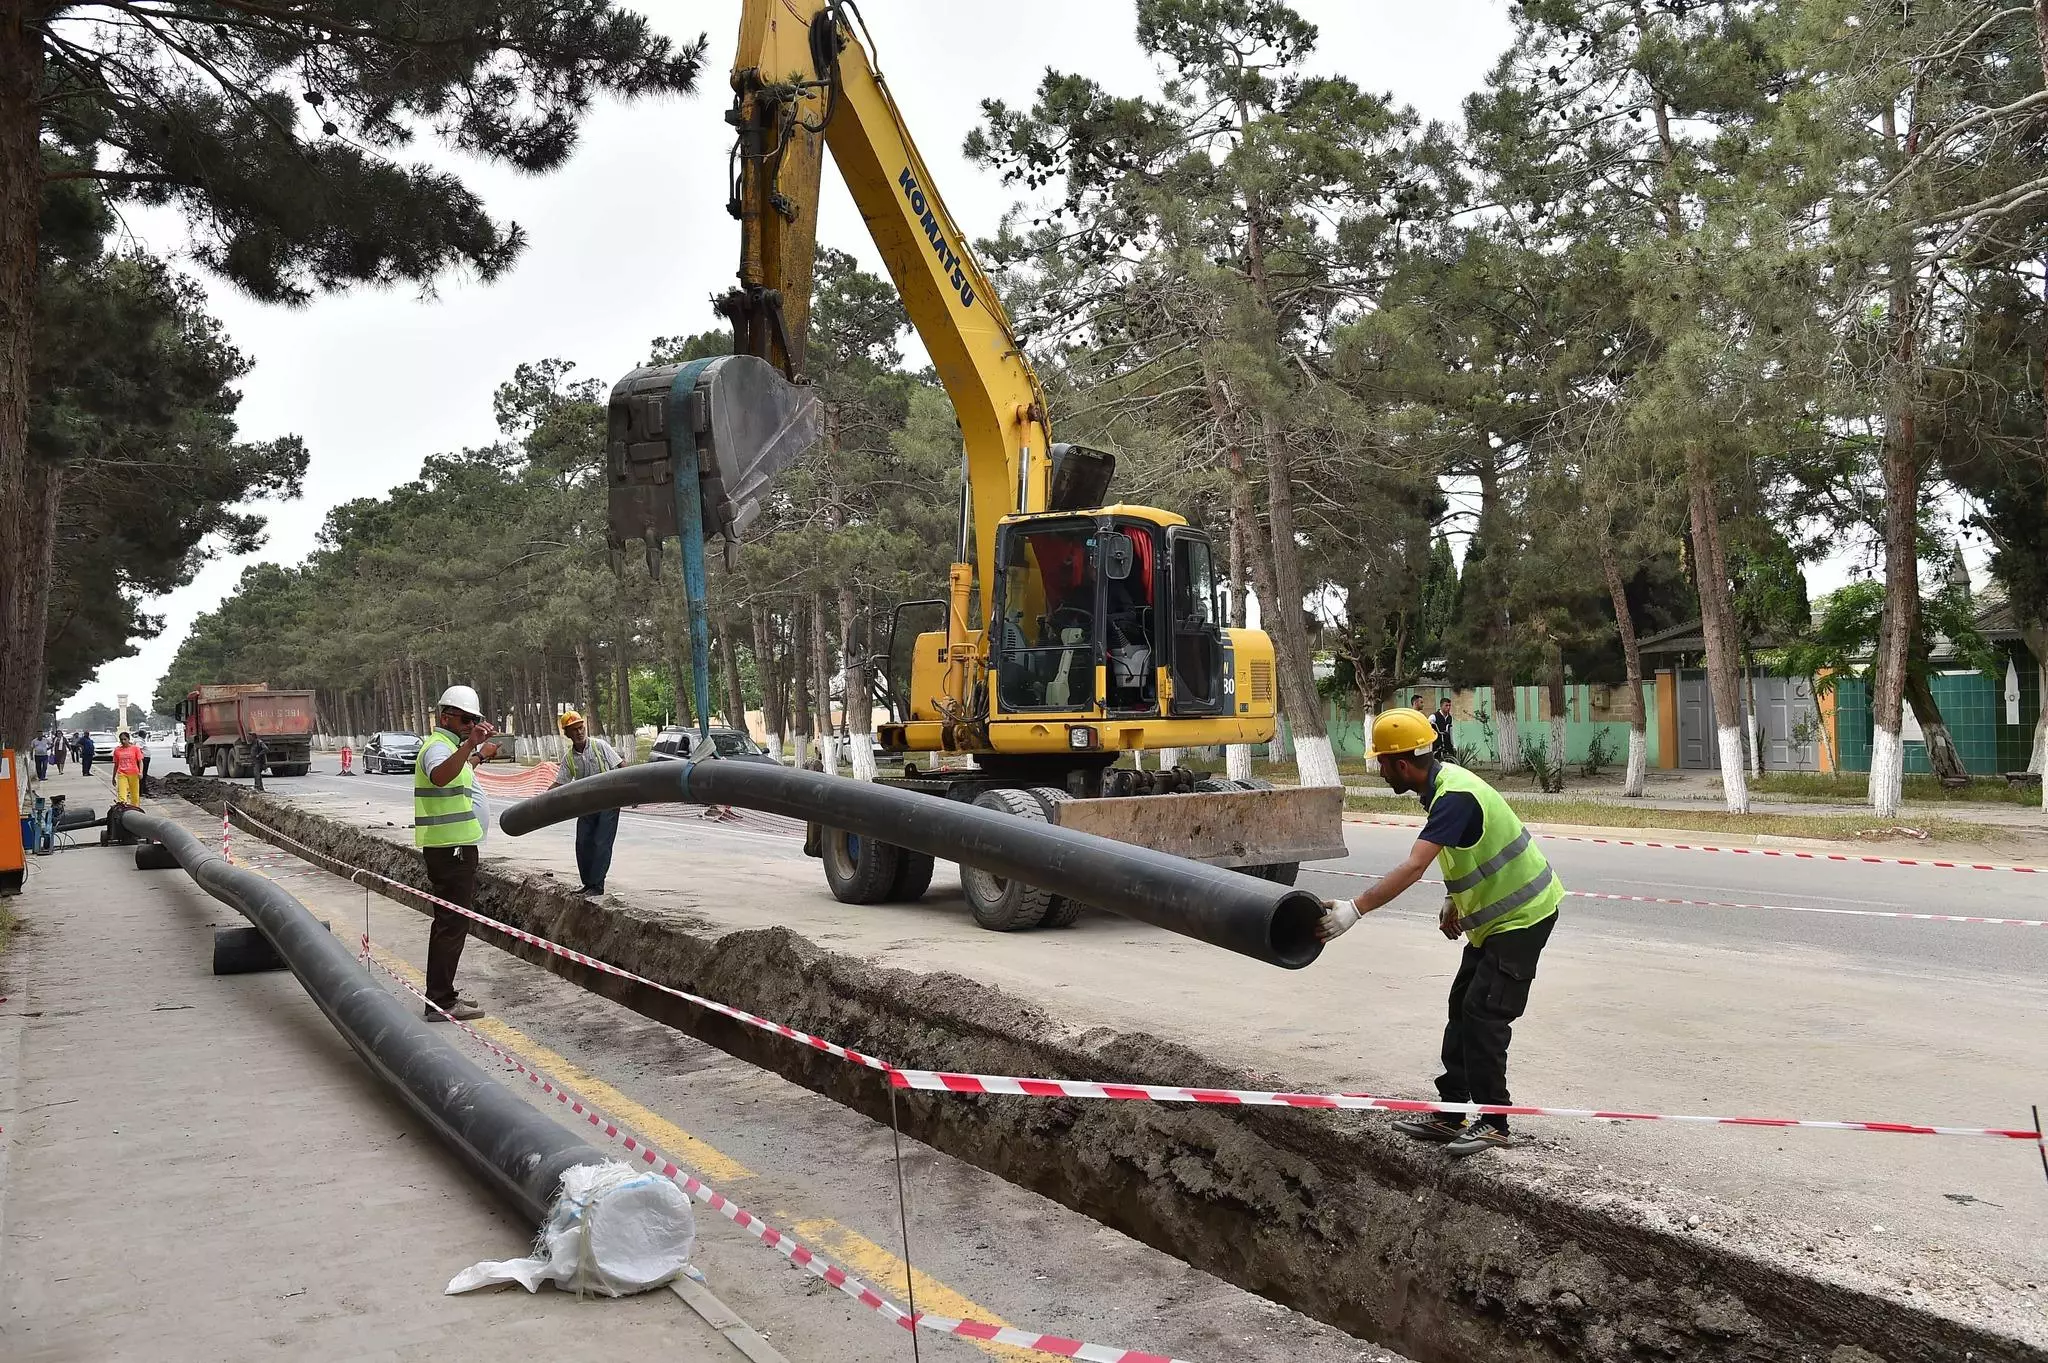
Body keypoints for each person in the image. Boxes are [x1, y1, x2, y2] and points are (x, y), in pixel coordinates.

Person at [1316, 708, 1563, 1158]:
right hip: (1494, 922)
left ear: (1402, 764)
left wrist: (1355, 910)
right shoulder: (1443, 786)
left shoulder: (1453, 797)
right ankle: (1451, 1113)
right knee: (1461, 1006)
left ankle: (1494, 1123)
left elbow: (1414, 865)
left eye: (1382, 763)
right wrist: (1454, 897)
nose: (1380, 770)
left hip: (1525, 916)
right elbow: (1468, 848)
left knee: (1485, 1012)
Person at [415, 686, 501, 1022]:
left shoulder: (451, 749)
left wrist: (479, 754)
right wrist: (469, 745)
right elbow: (440, 776)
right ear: (445, 716)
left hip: (455, 851)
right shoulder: (438, 747)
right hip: (450, 852)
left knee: (450, 925)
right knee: (450, 926)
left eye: (475, 720)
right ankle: (440, 1001)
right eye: (465, 719)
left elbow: (457, 775)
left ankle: (442, 995)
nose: (470, 725)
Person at [551, 710, 622, 896]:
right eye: (573, 730)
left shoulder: (600, 746)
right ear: (567, 734)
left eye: (581, 727)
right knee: (583, 843)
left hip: (608, 802)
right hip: (586, 805)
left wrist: (629, 793)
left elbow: (622, 768)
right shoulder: (569, 758)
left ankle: (597, 886)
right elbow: (560, 783)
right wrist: (541, 801)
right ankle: (588, 884)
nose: (579, 732)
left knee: (600, 843)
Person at [111, 731, 145, 807]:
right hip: (122, 774)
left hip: (134, 774)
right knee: (122, 794)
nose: (123, 741)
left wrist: (141, 772)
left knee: (134, 794)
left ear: (128, 739)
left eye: (125, 739)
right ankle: (122, 808)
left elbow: (140, 761)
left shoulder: (135, 749)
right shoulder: (117, 750)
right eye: (121, 739)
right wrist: (113, 777)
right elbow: (116, 764)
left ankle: (135, 809)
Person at [1431, 697, 1456, 761]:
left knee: (1452, 754)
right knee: (1435, 756)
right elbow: (1429, 724)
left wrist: (1453, 744)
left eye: (1449, 705)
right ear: (1441, 706)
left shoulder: (1449, 717)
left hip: (1446, 741)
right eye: (1446, 705)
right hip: (1436, 741)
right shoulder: (1434, 716)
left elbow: (1451, 731)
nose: (1448, 707)